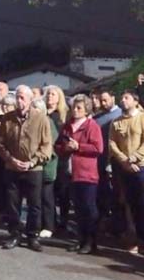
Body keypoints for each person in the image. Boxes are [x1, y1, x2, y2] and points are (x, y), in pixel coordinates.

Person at [0, 85, 52, 252]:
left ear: (30, 100)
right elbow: (0, 144)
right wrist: (11, 159)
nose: (19, 101)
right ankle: (14, 233)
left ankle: (32, 236)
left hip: (33, 169)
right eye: (17, 98)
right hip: (12, 167)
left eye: (22, 98)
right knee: (13, 203)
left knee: (35, 204)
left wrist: (32, 162)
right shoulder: (7, 118)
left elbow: (47, 145)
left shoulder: (41, 118)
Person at [109, 90, 144, 259]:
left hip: (143, 166)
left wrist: (134, 158)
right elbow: (113, 144)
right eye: (121, 98)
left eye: (126, 98)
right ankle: (140, 239)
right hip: (125, 168)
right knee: (132, 204)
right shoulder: (116, 122)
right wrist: (124, 161)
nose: (123, 101)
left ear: (135, 101)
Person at [55, 94, 104, 254]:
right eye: (73, 108)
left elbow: (98, 148)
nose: (75, 111)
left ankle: (91, 241)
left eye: (79, 108)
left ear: (86, 110)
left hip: (86, 174)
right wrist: (65, 149)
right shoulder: (67, 126)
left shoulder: (92, 126)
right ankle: (81, 239)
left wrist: (79, 146)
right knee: (77, 209)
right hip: (70, 173)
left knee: (89, 209)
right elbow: (58, 146)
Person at [93, 89, 123, 232]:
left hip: (115, 161)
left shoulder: (120, 115)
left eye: (105, 100)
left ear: (113, 97)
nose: (103, 103)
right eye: (101, 100)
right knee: (102, 194)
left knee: (117, 195)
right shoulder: (97, 117)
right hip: (98, 161)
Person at [44, 85, 72, 231]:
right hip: (46, 158)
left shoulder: (65, 115)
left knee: (63, 191)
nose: (50, 96)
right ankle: (50, 221)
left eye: (53, 94)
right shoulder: (41, 113)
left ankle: (64, 220)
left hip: (61, 157)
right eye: (48, 94)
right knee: (48, 192)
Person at [39, 97, 62, 239]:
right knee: (37, 197)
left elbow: (51, 145)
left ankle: (49, 225)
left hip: (47, 165)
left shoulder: (48, 123)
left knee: (47, 197)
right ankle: (40, 223)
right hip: (35, 166)